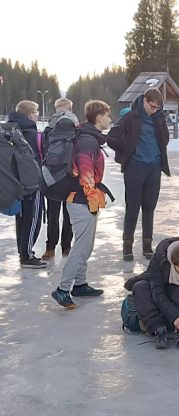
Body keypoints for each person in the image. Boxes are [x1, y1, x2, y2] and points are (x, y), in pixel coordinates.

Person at [51, 100, 112, 309]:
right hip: (81, 200)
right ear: (99, 117)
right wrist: (92, 198)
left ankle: (80, 284)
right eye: (108, 115)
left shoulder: (89, 137)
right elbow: (86, 174)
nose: (110, 119)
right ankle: (63, 289)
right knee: (81, 247)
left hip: (82, 199)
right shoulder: (88, 141)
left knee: (85, 244)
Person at [107, 87, 170, 261]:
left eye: (157, 108)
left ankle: (147, 246)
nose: (154, 110)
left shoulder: (158, 117)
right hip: (135, 167)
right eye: (152, 106)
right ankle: (127, 245)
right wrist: (128, 149)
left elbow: (165, 138)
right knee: (133, 207)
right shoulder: (130, 117)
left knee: (149, 206)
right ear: (145, 101)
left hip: (154, 167)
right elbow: (112, 137)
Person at [133, 237, 179, 349]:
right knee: (140, 288)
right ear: (173, 262)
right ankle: (158, 329)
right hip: (161, 300)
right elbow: (158, 294)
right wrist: (174, 316)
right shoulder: (159, 259)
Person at [8, 100, 45, 268]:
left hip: (15, 183)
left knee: (21, 218)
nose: (37, 115)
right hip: (32, 183)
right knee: (33, 218)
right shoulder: (31, 132)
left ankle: (23, 252)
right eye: (36, 112)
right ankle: (27, 256)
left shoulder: (11, 131)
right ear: (30, 115)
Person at [41, 97, 79, 260]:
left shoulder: (48, 129)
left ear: (56, 108)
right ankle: (66, 247)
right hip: (71, 176)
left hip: (52, 176)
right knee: (69, 213)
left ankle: (50, 248)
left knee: (53, 214)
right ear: (70, 108)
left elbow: (42, 151)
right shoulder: (76, 128)